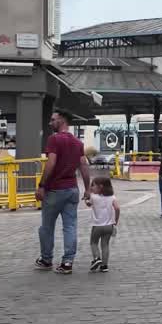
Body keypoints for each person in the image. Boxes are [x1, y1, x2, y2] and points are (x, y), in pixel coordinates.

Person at [35, 109, 91, 274]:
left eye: (53, 120)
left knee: (46, 227)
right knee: (70, 226)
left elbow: (51, 163)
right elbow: (84, 165)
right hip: (72, 189)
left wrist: (42, 185)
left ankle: (46, 259)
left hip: (54, 190)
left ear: (62, 120)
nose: (50, 123)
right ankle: (67, 262)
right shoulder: (77, 143)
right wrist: (87, 188)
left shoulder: (54, 139)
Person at [87, 175, 119, 273]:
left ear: (100, 187)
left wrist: (87, 197)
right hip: (109, 226)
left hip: (97, 226)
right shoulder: (112, 197)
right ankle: (104, 266)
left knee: (93, 243)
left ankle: (97, 258)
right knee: (105, 245)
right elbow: (117, 208)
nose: (91, 187)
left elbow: (88, 203)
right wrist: (115, 221)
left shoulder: (93, 197)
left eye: (93, 185)